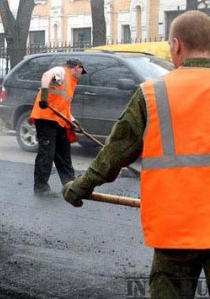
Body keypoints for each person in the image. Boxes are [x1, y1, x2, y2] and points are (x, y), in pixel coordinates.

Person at [62, 10, 210, 298]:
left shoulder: (154, 93)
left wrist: (80, 187)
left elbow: (115, 154)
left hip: (176, 229)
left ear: (176, 45)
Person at [30, 59, 87, 197]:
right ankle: (41, 188)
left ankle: (70, 185)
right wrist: (43, 95)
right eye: (82, 71)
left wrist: (73, 122)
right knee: (47, 154)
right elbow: (46, 76)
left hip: (59, 120)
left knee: (63, 154)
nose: (82, 74)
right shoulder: (62, 72)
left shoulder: (70, 82)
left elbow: (62, 106)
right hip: (46, 118)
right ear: (77, 67)